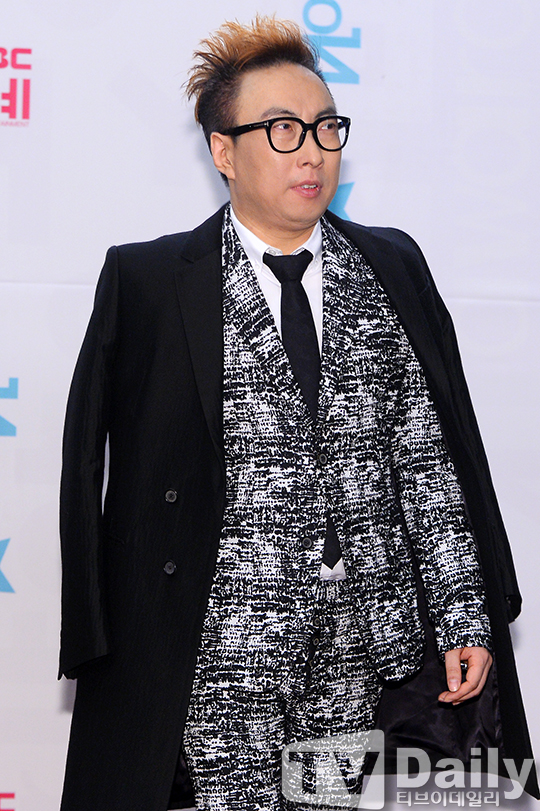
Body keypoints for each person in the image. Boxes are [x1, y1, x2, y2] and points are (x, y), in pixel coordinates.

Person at [58, 15, 537, 811]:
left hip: (355, 645)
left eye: (325, 127)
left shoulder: (389, 266)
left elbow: (428, 461)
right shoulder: (149, 280)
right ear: (223, 151)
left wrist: (464, 613)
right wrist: (94, 632)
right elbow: (85, 462)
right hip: (218, 645)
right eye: (283, 130)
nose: (312, 151)